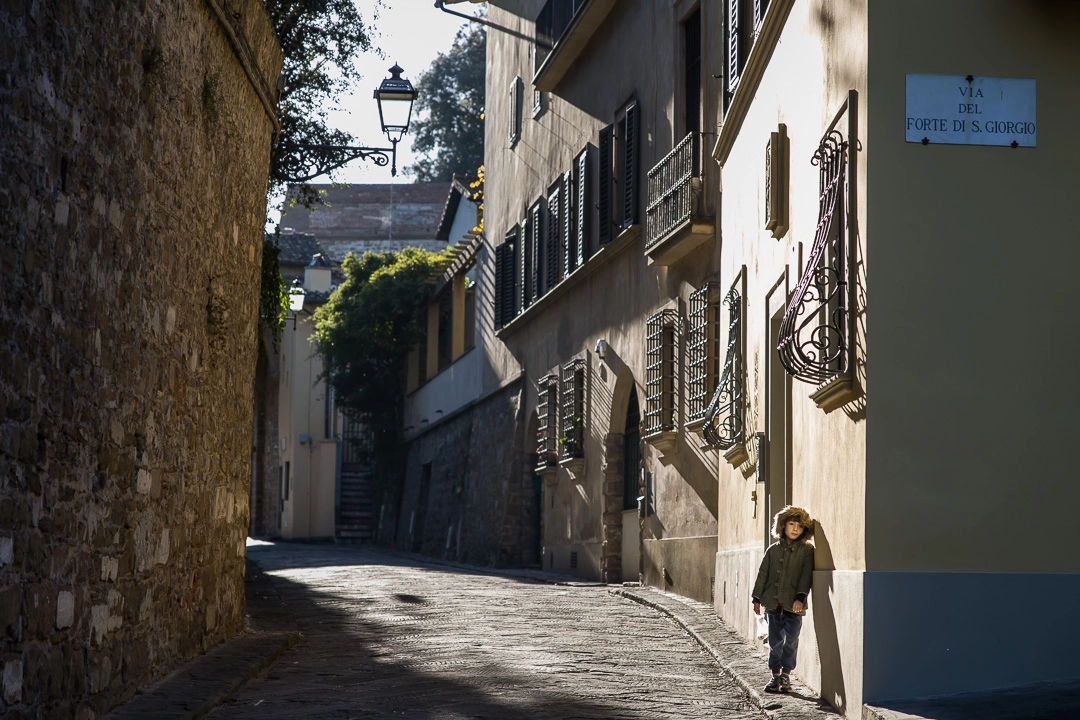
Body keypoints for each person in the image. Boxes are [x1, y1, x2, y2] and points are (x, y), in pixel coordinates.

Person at [752, 505, 815, 693]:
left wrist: (800, 597)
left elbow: (806, 576)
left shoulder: (806, 551)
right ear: (783, 525)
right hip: (773, 604)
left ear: (805, 530)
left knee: (792, 641)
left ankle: (786, 676)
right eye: (791, 524)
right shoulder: (773, 550)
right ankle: (775, 676)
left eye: (800, 526)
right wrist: (757, 598)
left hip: (794, 606)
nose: (795, 529)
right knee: (775, 642)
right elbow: (762, 574)